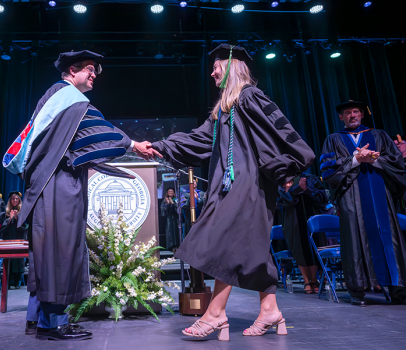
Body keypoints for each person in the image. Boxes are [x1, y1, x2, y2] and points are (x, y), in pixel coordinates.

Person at [150, 44, 315, 339]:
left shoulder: (249, 97)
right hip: (228, 185)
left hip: (248, 183)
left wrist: (288, 167)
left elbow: (282, 132)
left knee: (223, 240)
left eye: (216, 66)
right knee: (252, 247)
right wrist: (160, 147)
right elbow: (197, 141)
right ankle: (270, 311)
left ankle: (215, 313)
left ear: (232, 66)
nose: (212, 72)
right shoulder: (224, 110)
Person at [2, 50, 159, 341]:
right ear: (72, 70)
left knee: (49, 252)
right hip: (59, 185)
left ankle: (41, 320)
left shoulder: (54, 99)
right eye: (89, 69)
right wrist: (134, 144)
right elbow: (99, 131)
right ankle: (57, 323)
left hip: (51, 183)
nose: (94, 74)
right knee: (60, 250)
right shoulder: (68, 98)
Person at [320, 100, 406, 306]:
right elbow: (327, 170)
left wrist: (374, 159)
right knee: (355, 239)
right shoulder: (333, 140)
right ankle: (358, 292)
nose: (352, 115)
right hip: (351, 198)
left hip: (381, 197)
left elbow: (397, 163)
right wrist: (356, 159)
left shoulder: (379, 135)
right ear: (341, 117)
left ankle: (398, 291)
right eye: (347, 113)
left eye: (355, 111)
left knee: (389, 239)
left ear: (362, 114)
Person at [278, 174, 328, 294]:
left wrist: (307, 190)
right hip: (293, 220)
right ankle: (307, 281)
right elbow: (281, 200)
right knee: (299, 248)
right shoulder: (283, 180)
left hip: (312, 218)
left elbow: (323, 198)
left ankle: (314, 281)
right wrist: (298, 189)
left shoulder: (311, 178)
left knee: (313, 248)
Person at [0, 191, 28, 289]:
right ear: (10, 200)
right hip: (9, 238)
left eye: (17, 199)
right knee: (9, 259)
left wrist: (16, 218)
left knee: (18, 260)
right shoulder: (6, 211)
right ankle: (8, 281)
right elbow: (2, 227)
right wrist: (10, 219)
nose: (15, 200)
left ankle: (16, 281)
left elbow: (25, 226)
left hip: (19, 238)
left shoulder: (24, 210)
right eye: (13, 198)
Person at [160, 187, 179, 252]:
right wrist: (167, 205)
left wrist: (173, 204)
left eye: (172, 191)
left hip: (176, 219)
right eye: (169, 192)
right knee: (170, 233)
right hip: (168, 220)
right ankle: (172, 248)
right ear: (167, 193)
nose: (170, 193)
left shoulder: (176, 199)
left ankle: (177, 248)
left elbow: (179, 210)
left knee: (176, 233)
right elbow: (163, 212)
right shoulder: (165, 200)